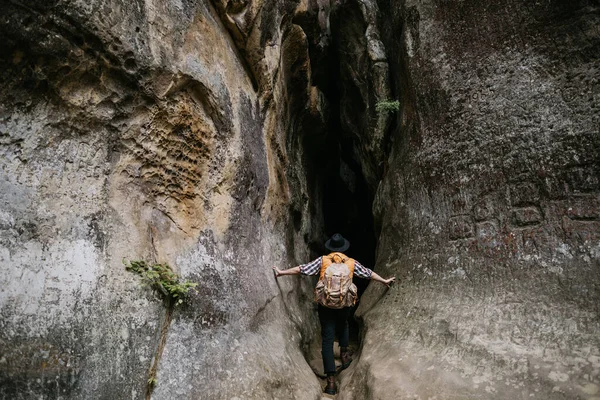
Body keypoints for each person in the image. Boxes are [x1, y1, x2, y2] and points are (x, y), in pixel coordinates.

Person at [273, 233, 395, 395]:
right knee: (343, 324)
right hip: (344, 304)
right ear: (344, 248)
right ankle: (345, 356)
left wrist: (282, 272)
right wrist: (384, 281)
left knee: (327, 338)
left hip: (325, 305)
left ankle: (330, 382)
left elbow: (303, 269)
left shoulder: (323, 261)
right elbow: (368, 273)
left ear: (330, 248)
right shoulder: (351, 263)